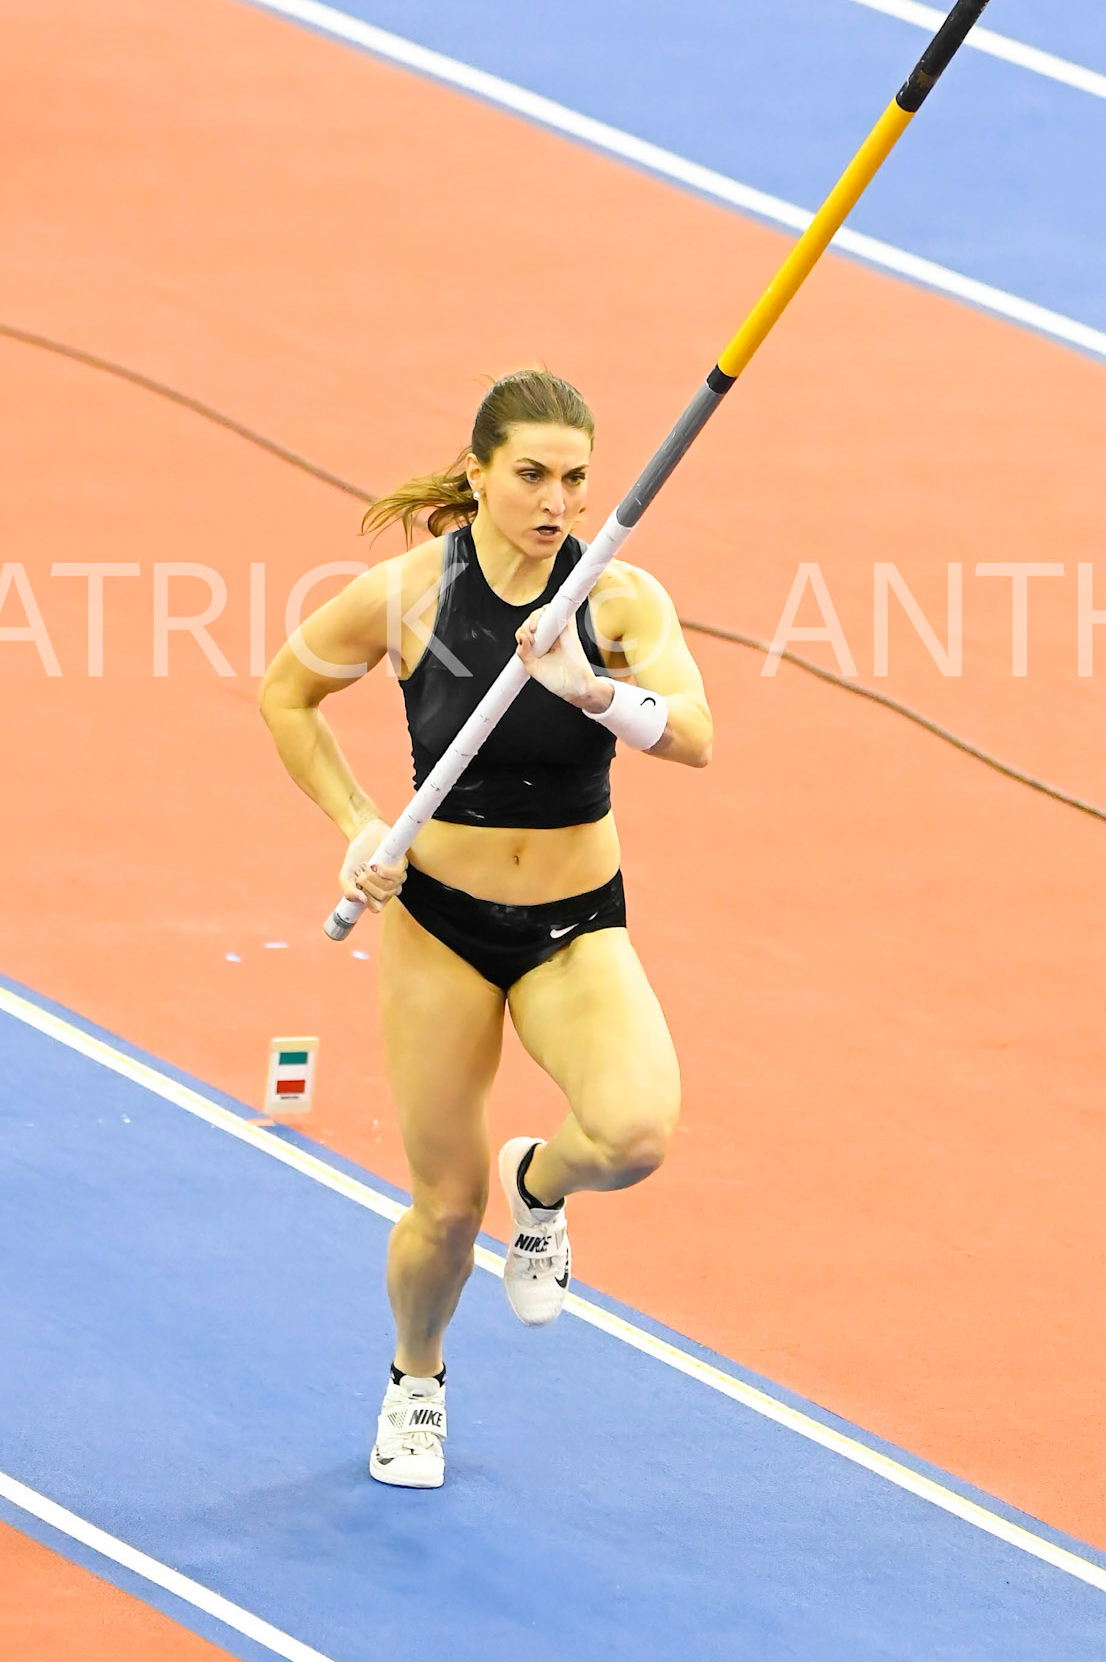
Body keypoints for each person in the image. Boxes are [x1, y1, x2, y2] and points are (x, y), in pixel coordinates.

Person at [258, 369, 712, 1488]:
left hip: (573, 922)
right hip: (440, 925)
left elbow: (695, 732)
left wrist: (592, 688)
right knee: (447, 1209)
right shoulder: (410, 593)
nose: (555, 499)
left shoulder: (615, 598)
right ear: (477, 470)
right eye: (531, 474)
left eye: (574, 479)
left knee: (635, 1132)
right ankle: (417, 1380)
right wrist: (361, 821)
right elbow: (285, 693)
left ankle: (544, 1185)